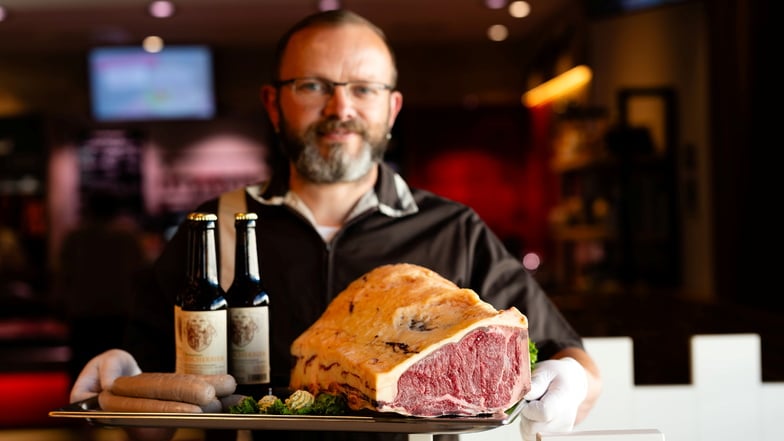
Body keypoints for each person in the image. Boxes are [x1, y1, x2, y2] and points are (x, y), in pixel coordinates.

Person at [69, 9, 601, 441]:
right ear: (273, 104)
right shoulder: (213, 228)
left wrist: (571, 381)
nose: (340, 107)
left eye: (364, 89)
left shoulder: (453, 229)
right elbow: (149, 409)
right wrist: (120, 375)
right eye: (313, 85)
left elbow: (572, 359)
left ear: (392, 110)